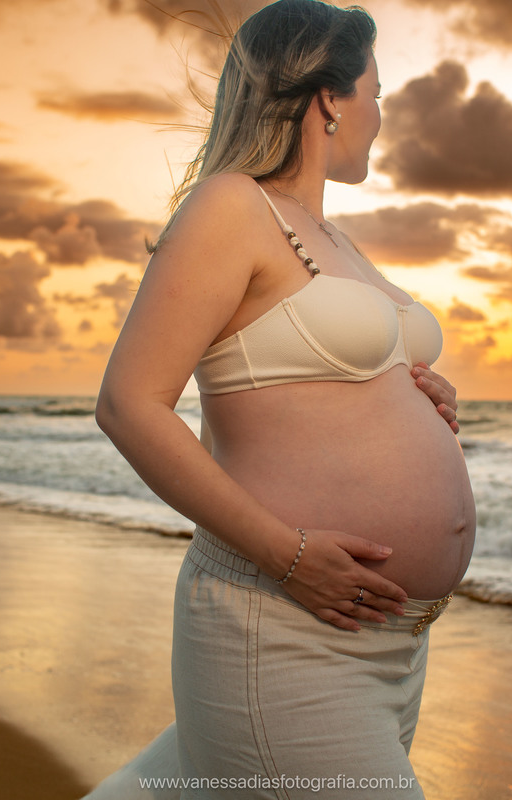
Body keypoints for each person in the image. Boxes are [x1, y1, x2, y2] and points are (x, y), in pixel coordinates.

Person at [88, 1, 475, 797]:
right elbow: (130, 404)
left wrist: (414, 396)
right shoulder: (232, 205)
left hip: (392, 647)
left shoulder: (335, 238)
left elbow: (302, 383)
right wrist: (287, 555)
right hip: (283, 628)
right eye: (376, 94)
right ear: (330, 98)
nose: (381, 115)